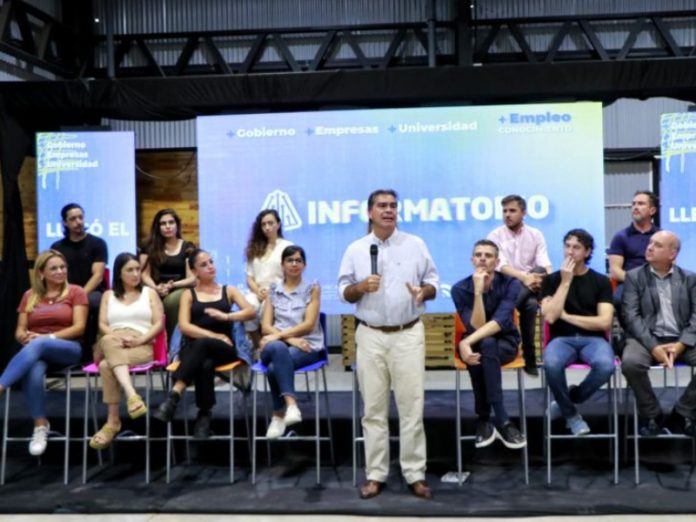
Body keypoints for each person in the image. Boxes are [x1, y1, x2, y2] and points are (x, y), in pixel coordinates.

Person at [337, 189, 439, 500]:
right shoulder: (356, 249)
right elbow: (344, 291)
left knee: (411, 408)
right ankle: (375, 474)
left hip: (408, 333)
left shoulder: (415, 244)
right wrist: (359, 287)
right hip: (370, 335)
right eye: (382, 206)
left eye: (393, 205)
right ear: (369, 212)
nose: (389, 210)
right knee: (373, 410)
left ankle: (415, 474)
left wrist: (423, 292)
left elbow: (433, 282)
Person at [153, 249, 254, 439]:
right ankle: (204, 416)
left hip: (225, 349)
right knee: (205, 362)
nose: (210, 267)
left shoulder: (228, 290)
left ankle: (175, 395)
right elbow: (184, 326)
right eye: (203, 265)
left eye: (211, 262)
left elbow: (251, 312)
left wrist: (227, 316)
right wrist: (213, 335)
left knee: (202, 346)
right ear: (194, 271)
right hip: (195, 350)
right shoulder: (188, 294)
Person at [0, 250, 87, 456]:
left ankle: (1, 386)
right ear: (41, 273)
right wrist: (24, 337)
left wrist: (46, 338)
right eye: (54, 268)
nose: (60, 271)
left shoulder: (76, 292)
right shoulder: (29, 296)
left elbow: (79, 328)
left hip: (68, 348)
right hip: (37, 352)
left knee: (38, 345)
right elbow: (20, 330)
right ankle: (40, 426)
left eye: (63, 267)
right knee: (34, 368)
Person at [451, 239, 526, 449]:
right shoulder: (459, 289)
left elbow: (500, 322)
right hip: (477, 344)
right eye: (478, 255)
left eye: (488, 255)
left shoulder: (511, 284)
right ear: (472, 260)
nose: (483, 259)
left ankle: (484, 419)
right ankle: (502, 420)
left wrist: (466, 342)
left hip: (506, 342)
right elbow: (477, 326)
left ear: (497, 261)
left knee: (487, 345)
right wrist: (478, 292)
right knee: (485, 345)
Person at [621, 231, 696, 436]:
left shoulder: (690, 278)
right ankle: (652, 414)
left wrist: (681, 344)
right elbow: (631, 316)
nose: (650, 247)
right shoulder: (634, 277)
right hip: (645, 338)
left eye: (658, 245)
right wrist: (653, 346)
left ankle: (683, 412)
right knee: (630, 363)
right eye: (650, 243)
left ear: (672, 254)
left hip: (681, 338)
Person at [541, 229, 615, 436]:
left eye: (576, 247)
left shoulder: (600, 281)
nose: (570, 252)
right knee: (551, 364)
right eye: (567, 246)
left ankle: (570, 399)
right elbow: (550, 317)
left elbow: (604, 322)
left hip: (593, 339)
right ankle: (572, 416)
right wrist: (565, 282)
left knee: (606, 366)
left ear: (587, 252)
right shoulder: (551, 280)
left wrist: (566, 316)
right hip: (561, 339)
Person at [88, 252, 164, 450]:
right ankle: (131, 395)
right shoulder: (108, 295)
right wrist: (117, 337)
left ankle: (112, 422)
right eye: (130, 270)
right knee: (108, 340)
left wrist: (140, 339)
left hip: (141, 344)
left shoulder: (149, 293)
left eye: (138, 269)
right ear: (119, 273)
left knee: (106, 365)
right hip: (113, 339)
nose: (136, 274)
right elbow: (102, 324)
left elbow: (158, 324)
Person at [259, 245, 325, 438]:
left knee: (274, 367)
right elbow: (265, 326)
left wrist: (283, 337)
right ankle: (292, 405)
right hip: (279, 344)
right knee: (277, 347)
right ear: (282, 265)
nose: (294, 264)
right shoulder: (273, 290)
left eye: (298, 260)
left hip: (307, 345)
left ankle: (278, 415)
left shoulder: (312, 289)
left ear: (304, 265)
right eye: (290, 260)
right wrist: (290, 339)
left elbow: (309, 324)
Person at [487, 195, 552, 376]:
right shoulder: (495, 236)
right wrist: (525, 278)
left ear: (523, 213)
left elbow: (544, 261)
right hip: (504, 286)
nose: (507, 215)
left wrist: (548, 278)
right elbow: (501, 266)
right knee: (530, 304)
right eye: (504, 211)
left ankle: (500, 319)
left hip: (530, 285)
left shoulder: (535, 235)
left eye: (512, 211)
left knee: (539, 273)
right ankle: (530, 358)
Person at [50, 203, 108, 356]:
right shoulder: (57, 247)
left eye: (80, 217)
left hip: (91, 291)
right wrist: (66, 295)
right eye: (73, 219)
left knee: (94, 302)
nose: (78, 222)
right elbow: (54, 274)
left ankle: (91, 349)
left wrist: (79, 295)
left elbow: (98, 275)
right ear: (65, 223)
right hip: (64, 291)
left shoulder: (97, 243)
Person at [140, 208, 196, 340]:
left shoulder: (187, 247)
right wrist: (155, 288)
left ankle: (172, 342)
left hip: (179, 288)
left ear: (177, 225)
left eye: (171, 222)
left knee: (174, 300)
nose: (167, 226)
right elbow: (144, 275)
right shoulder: (148, 246)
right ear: (158, 227)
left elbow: (192, 279)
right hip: (155, 288)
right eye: (163, 224)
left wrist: (172, 285)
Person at [607, 190, 659, 320]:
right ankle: (629, 331)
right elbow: (614, 271)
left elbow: (670, 265)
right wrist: (637, 282)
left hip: (657, 282)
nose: (635, 207)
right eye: (634, 204)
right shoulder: (621, 237)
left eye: (641, 204)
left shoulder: (661, 236)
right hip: (628, 283)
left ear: (652, 210)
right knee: (618, 299)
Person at [244, 209, 293, 347]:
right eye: (263, 224)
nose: (267, 227)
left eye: (270, 223)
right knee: (248, 305)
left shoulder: (287, 246)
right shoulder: (254, 248)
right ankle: (257, 345)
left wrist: (271, 292)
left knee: (267, 307)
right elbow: (250, 277)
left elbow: (292, 275)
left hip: (280, 292)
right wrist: (258, 291)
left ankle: (271, 344)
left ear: (278, 224)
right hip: (258, 291)